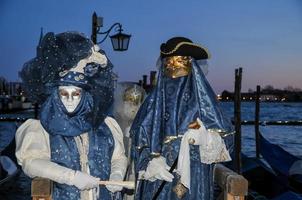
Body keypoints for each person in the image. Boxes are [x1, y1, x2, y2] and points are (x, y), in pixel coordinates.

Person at [15, 32, 127, 200]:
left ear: (85, 95)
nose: (68, 100)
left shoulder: (106, 125)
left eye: (75, 94)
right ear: (55, 94)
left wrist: (116, 176)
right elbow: (31, 163)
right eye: (63, 93)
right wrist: (71, 177)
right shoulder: (43, 127)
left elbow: (118, 157)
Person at [131, 37, 234, 200]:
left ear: (191, 65)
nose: (173, 69)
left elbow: (227, 140)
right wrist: (150, 163)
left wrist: (206, 138)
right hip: (159, 178)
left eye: (179, 62)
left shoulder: (204, 102)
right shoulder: (152, 104)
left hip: (195, 176)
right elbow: (138, 139)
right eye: (168, 64)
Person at [113, 83, 145, 199]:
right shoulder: (115, 125)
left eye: (137, 104)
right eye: (130, 104)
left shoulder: (143, 128)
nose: (133, 108)